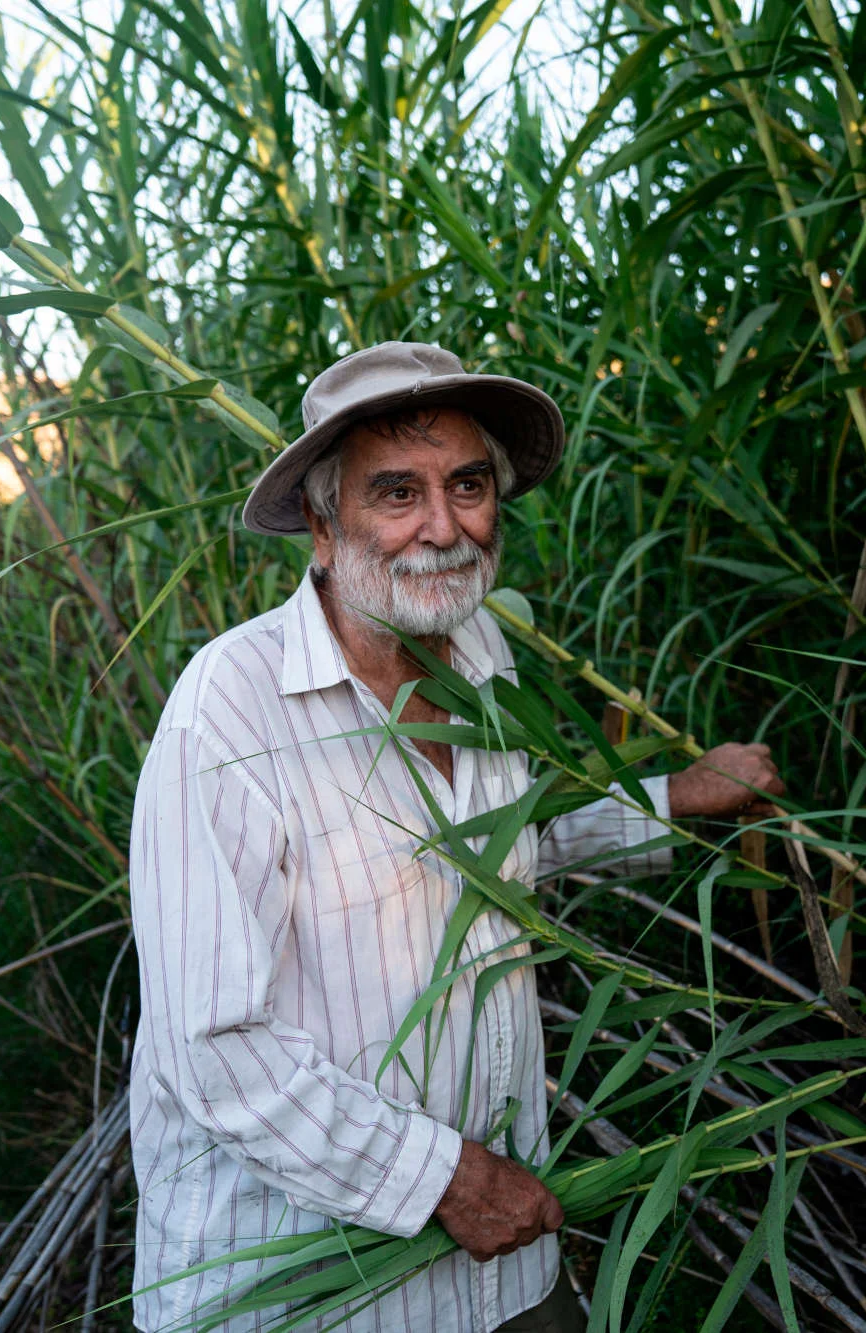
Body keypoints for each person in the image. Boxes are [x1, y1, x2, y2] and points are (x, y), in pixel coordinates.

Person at [127, 342, 783, 1331]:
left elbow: (497, 863)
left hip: (499, 1267)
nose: (443, 527)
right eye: (396, 493)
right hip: (306, 1292)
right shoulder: (226, 715)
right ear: (320, 520)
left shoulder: (478, 652)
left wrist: (673, 798)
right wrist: (447, 1179)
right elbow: (215, 1048)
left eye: (466, 484)